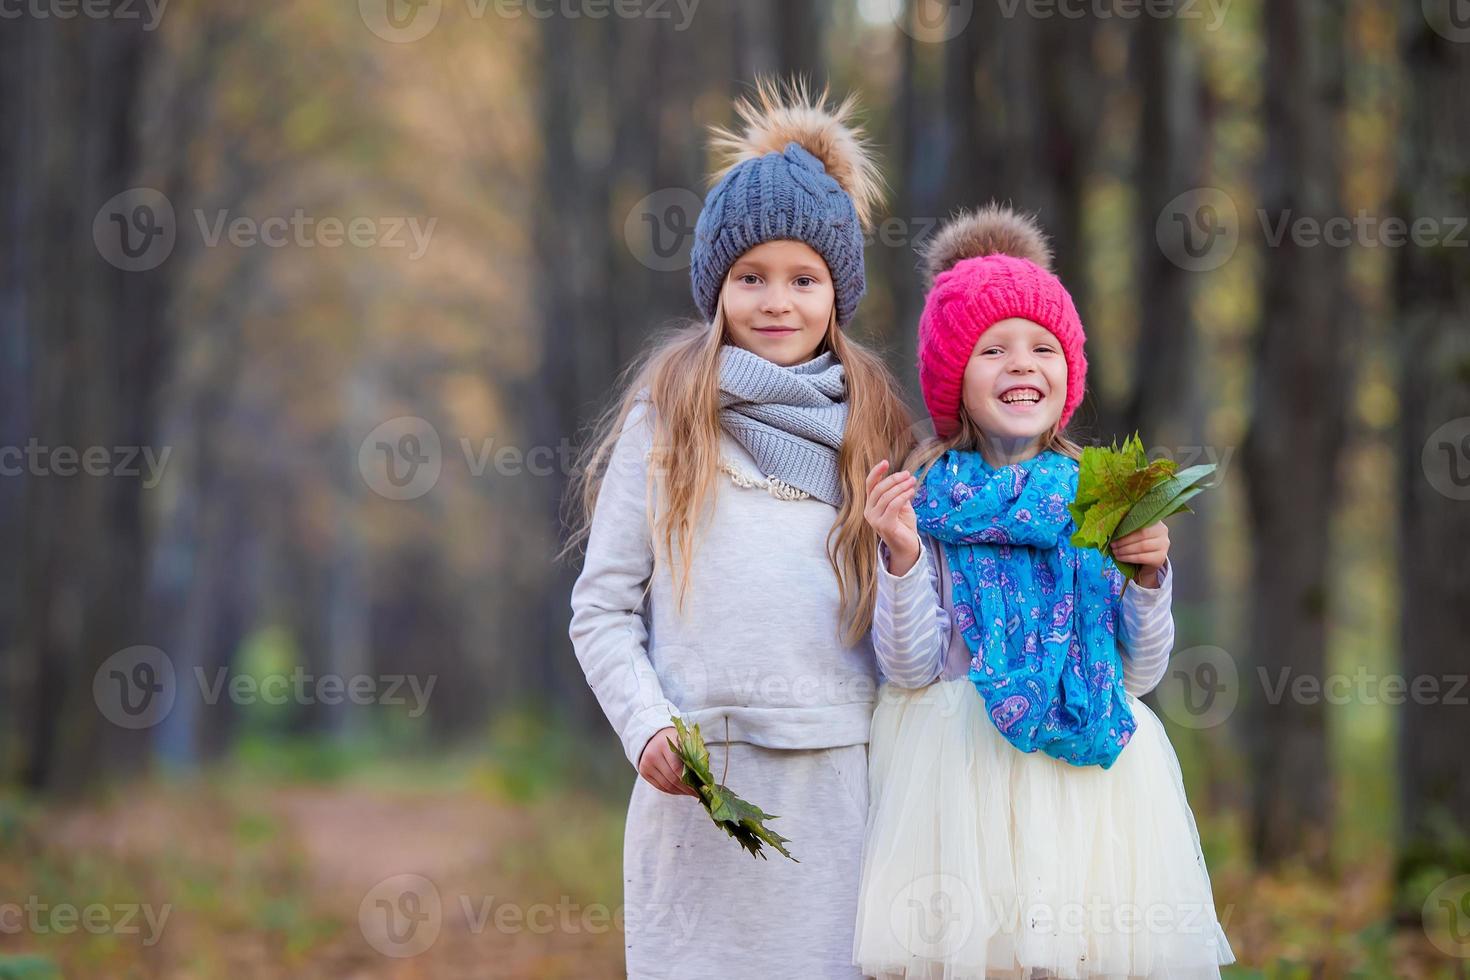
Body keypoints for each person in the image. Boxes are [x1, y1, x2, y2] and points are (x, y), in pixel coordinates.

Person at [567, 79, 913, 978]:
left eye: (805, 279)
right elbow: (602, 608)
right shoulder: (671, 414)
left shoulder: (875, 427)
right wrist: (647, 725)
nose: (776, 301)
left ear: (838, 292)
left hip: (841, 783)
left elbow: (910, 622)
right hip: (700, 785)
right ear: (714, 287)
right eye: (749, 277)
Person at [854, 203, 1236, 979]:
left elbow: (1137, 674)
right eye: (993, 350)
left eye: (1042, 346)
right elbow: (907, 667)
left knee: (1082, 957)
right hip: (964, 779)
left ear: (1068, 373)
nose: (1021, 363)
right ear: (953, 379)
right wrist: (897, 560)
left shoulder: (1099, 497)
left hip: (1084, 787)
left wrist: (1149, 578)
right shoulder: (928, 500)